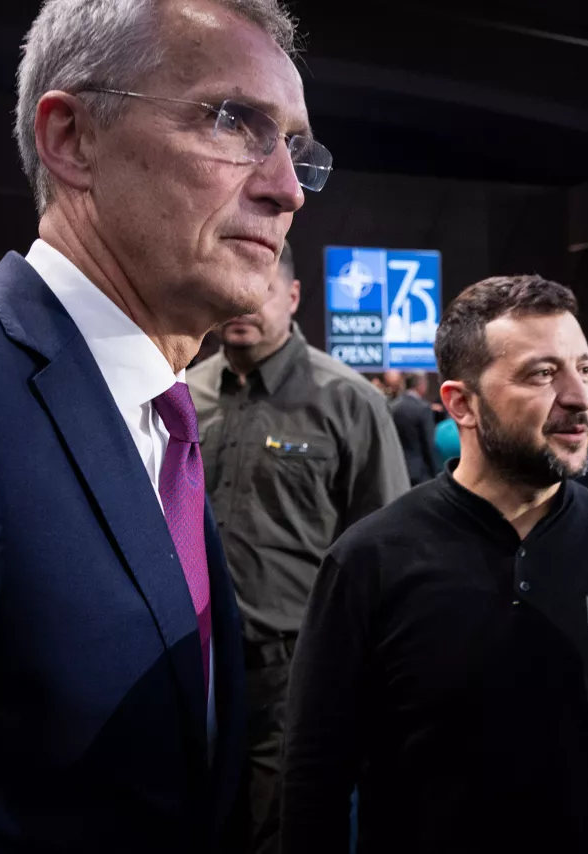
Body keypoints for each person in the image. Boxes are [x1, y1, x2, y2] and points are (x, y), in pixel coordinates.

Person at [0, 0, 327, 849]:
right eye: (234, 120)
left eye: (296, 149)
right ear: (71, 140)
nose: (287, 189)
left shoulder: (158, 410)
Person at [281, 275, 588, 853]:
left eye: (586, 369)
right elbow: (313, 779)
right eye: (543, 374)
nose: (580, 398)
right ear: (462, 405)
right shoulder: (369, 559)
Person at [187, 241, 407, 852]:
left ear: (292, 296)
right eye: (230, 288)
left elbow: (384, 551)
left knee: (283, 828)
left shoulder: (348, 401)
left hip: (294, 667)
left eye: (259, 288)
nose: (243, 304)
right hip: (195, 662)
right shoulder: (186, 393)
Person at [390, 371, 443, 486]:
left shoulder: (392, 407)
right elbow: (429, 444)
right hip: (420, 473)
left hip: (397, 469)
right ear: (421, 385)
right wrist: (437, 473)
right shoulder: (423, 408)